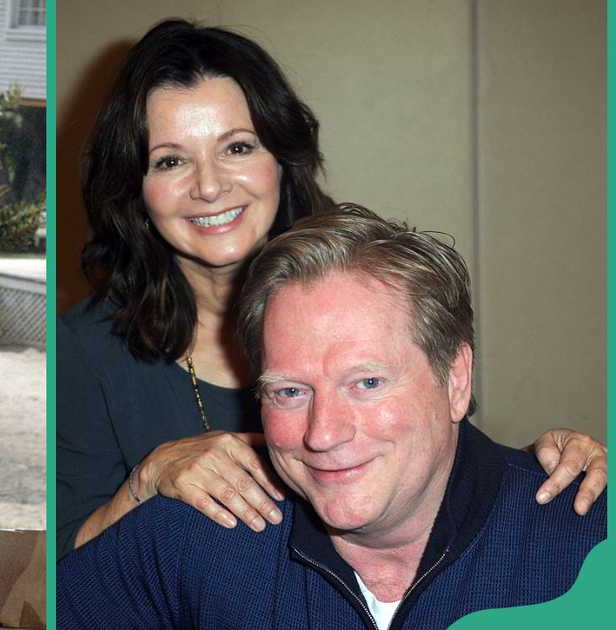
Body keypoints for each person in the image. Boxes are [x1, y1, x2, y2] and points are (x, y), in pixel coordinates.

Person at [55, 18, 608, 560]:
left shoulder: (368, 288)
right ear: (136, 189)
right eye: (171, 160)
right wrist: (149, 479)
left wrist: (538, 473)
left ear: (281, 159)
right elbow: (62, 574)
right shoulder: (83, 350)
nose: (209, 185)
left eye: (238, 148)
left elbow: (441, 471)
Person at [57, 205, 606, 629]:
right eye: (290, 392)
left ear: (456, 378)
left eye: (366, 383)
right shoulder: (197, 538)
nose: (322, 434)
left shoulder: (588, 540)